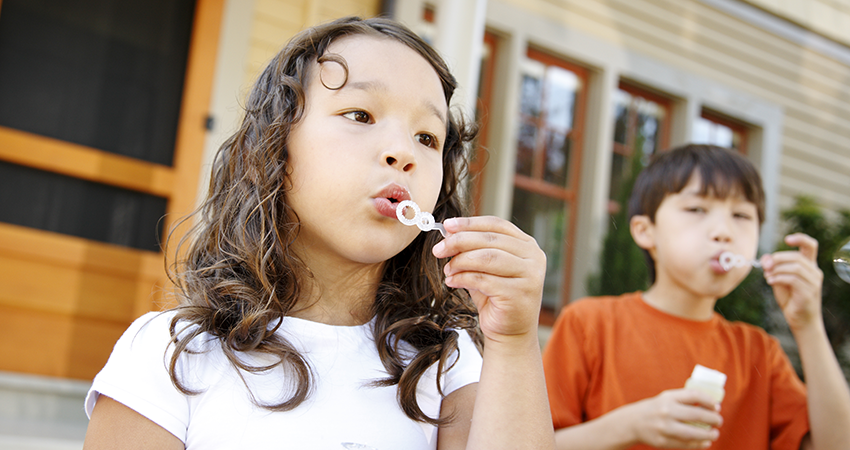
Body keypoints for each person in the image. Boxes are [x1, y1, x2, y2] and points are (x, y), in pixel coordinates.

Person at [83, 16, 554, 449]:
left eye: (426, 137)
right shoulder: (174, 353)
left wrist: (514, 344)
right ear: (273, 149)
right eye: (361, 115)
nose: (401, 153)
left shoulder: (445, 366)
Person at [542, 144, 850, 450]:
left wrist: (807, 324)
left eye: (741, 215)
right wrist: (631, 426)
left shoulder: (759, 355)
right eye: (697, 210)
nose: (723, 232)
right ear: (645, 231)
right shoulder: (589, 324)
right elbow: (533, 442)